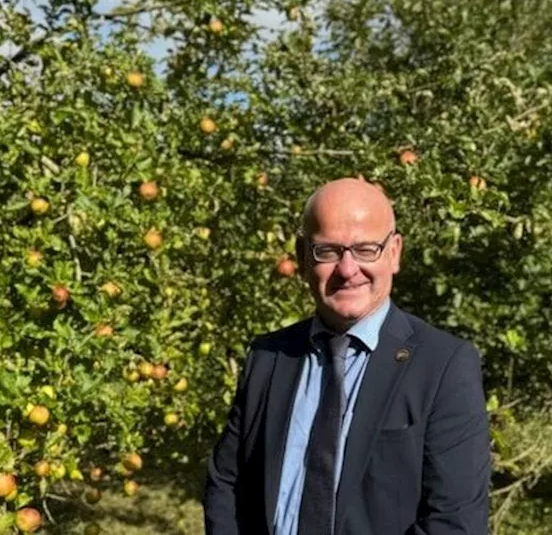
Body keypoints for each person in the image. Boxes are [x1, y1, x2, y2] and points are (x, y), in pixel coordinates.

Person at [203, 177, 492, 535]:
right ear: (302, 256)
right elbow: (227, 484)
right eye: (328, 251)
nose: (347, 269)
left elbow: (455, 522)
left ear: (394, 252)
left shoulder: (443, 366)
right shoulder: (269, 357)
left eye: (366, 249)